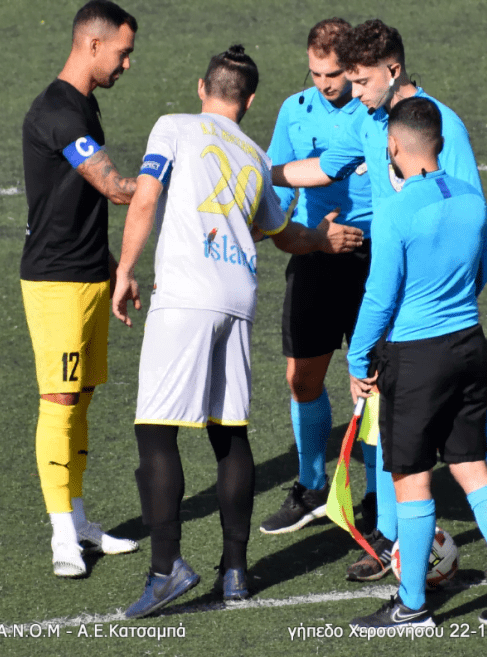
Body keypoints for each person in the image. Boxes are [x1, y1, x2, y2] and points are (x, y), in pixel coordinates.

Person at [272, 18, 487, 583]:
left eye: (362, 80)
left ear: (393, 70)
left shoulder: (440, 126)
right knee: (390, 419)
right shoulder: (369, 119)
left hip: (436, 306)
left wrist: (459, 296)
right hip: (390, 291)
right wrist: (255, 174)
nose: (353, 92)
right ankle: (391, 542)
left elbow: (473, 216)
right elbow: (323, 168)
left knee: (474, 428)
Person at [111, 45, 363, 619]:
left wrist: (124, 269)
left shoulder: (174, 126)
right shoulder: (255, 153)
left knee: (155, 431)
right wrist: (321, 239)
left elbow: (146, 196)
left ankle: (165, 569)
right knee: (229, 433)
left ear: (202, 89)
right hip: (237, 297)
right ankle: (235, 573)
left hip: (185, 296)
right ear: (249, 102)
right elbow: (283, 234)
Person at [347, 97, 487, 629]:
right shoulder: (473, 199)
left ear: (393, 146)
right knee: (472, 466)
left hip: (416, 356)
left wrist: (358, 358)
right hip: (470, 345)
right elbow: (482, 273)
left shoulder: (395, 210)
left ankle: (411, 606)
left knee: (411, 478)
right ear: (441, 143)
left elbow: (379, 297)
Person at [20, 0, 141, 578]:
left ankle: (79, 518)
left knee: (83, 397)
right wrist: (168, 178)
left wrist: (115, 267)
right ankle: (61, 535)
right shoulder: (58, 112)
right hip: (57, 283)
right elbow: (112, 187)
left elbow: (80, 204)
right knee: (60, 401)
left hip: (90, 273)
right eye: (123, 53)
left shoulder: (84, 105)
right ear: (93, 45)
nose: (126, 65)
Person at [259, 18, 378, 537]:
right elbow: (279, 186)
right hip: (314, 252)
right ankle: (311, 488)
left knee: (373, 384)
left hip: (374, 261)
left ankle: (377, 497)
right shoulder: (294, 109)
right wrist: (275, 228)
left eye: (334, 74)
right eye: (315, 73)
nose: (325, 84)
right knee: (301, 379)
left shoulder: (374, 107)